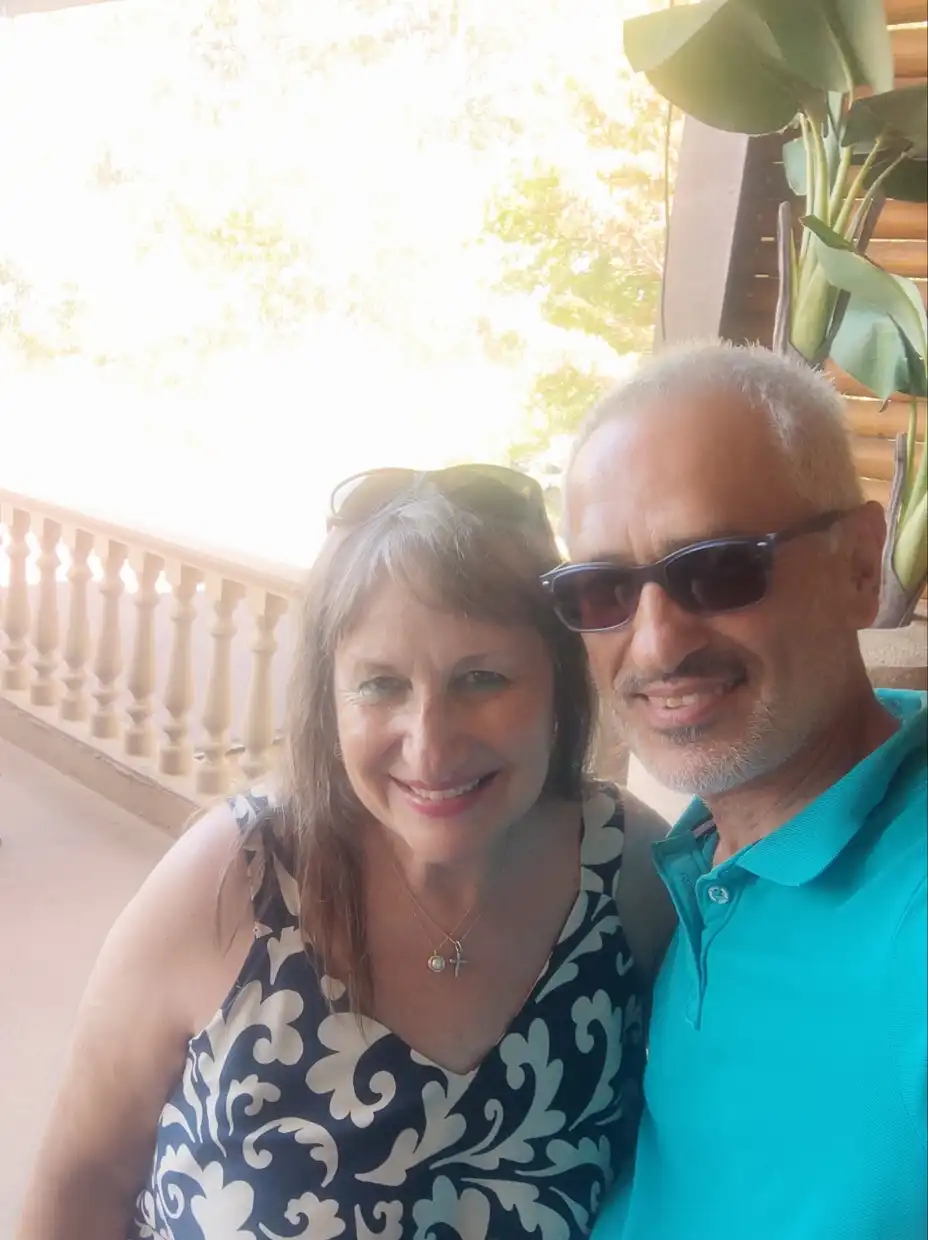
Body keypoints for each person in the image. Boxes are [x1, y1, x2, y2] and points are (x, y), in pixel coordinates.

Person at [17, 464, 674, 1240]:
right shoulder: (235, 879)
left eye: (482, 678)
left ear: (559, 681)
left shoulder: (630, 876)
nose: (430, 745)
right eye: (381, 684)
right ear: (328, 698)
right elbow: (81, 1183)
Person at [540, 342, 928, 1240]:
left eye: (717, 569)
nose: (655, 644)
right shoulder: (686, 863)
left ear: (858, 565)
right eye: (602, 590)